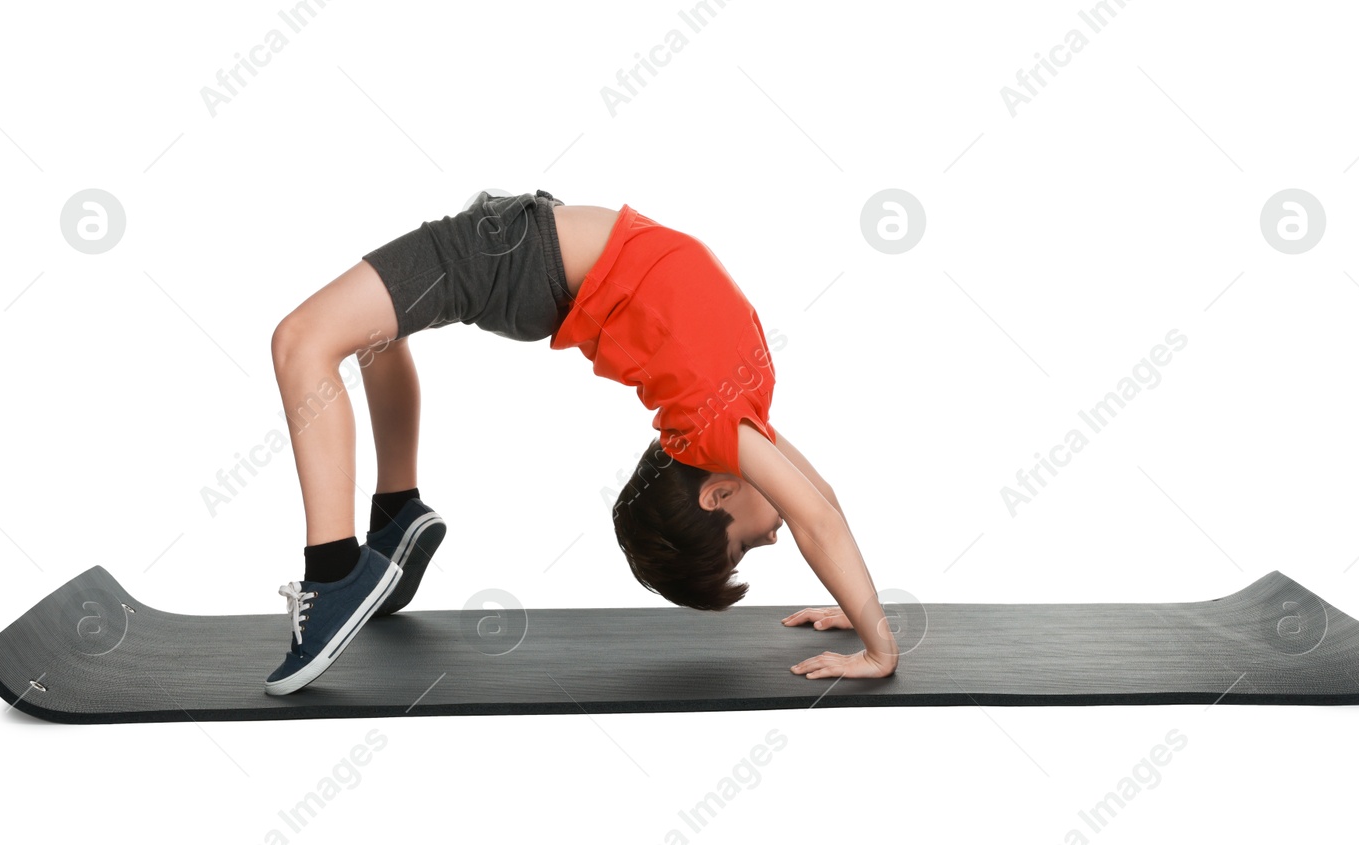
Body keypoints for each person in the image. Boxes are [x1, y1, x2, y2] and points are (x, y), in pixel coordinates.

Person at [263, 189, 897, 695]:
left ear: (717, 495)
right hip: (519, 251)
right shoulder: (733, 416)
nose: (769, 538)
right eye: (744, 551)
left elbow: (817, 516)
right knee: (359, 334)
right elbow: (822, 508)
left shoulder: (718, 423)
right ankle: (395, 515)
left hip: (514, 255)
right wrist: (865, 624)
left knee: (303, 341)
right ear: (717, 494)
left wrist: (870, 634)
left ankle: (337, 570)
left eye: (738, 550)